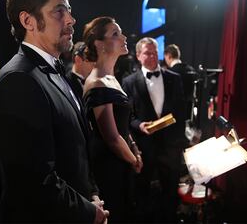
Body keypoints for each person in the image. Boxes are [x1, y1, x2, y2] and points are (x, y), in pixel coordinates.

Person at [0, 0, 108, 223]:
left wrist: (92, 194)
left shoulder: (52, 70)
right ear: (28, 20)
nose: (72, 20)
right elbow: (33, 182)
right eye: (59, 12)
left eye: (70, 11)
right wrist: (89, 212)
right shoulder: (18, 80)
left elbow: (77, 152)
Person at [82, 16, 143, 222]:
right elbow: (111, 137)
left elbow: (123, 126)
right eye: (115, 34)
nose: (124, 36)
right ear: (99, 44)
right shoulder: (97, 81)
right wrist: (134, 159)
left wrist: (134, 148)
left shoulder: (112, 78)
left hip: (122, 158)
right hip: (109, 165)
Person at [122, 37, 187, 223]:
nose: (152, 56)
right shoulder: (129, 82)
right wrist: (139, 125)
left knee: (170, 194)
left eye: (155, 52)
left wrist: (179, 144)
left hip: (170, 148)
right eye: (147, 53)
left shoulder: (174, 79)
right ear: (138, 55)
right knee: (142, 193)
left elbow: (181, 113)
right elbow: (128, 117)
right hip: (144, 146)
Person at [164, 44, 196, 121]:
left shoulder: (169, 73)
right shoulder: (191, 69)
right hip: (190, 114)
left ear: (168, 56)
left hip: (174, 116)